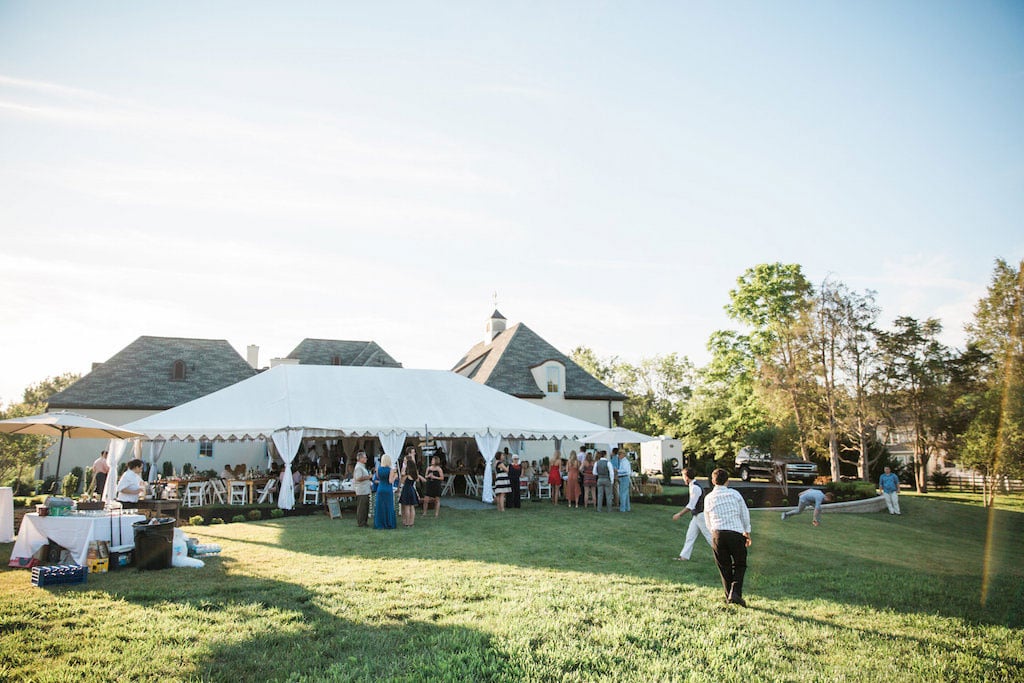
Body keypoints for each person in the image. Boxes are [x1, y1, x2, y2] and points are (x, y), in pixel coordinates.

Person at [704, 468, 751, 607]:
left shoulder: (709, 498)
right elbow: (744, 513)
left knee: (724, 567)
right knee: (740, 564)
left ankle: (729, 596)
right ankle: (735, 593)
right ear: (727, 480)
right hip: (735, 533)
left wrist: (713, 532)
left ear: (713, 481)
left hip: (717, 534)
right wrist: (747, 532)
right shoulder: (735, 494)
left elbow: (707, 519)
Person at [672, 468, 712, 560]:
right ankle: (684, 556)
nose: (682, 478)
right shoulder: (693, 486)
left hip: (701, 516)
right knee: (690, 535)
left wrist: (679, 514)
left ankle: (723, 555)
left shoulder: (695, 488)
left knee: (709, 536)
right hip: (697, 516)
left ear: (686, 477)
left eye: (683, 476)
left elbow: (691, 506)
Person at [373, 455, 398, 530]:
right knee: (388, 506)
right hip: (387, 489)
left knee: (380, 506)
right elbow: (390, 481)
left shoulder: (378, 469)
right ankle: (389, 522)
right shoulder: (390, 470)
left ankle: (379, 523)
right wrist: (395, 476)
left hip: (380, 488)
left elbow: (378, 478)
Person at [399, 456, 424, 527]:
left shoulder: (406, 474)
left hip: (406, 489)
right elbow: (417, 480)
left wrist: (402, 474)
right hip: (412, 489)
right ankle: (411, 522)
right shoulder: (414, 473)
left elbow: (402, 482)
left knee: (406, 507)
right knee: (412, 507)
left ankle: (407, 522)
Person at [352, 451, 373, 527]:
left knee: (365, 507)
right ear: (360, 458)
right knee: (362, 507)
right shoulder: (358, 467)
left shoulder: (362, 466)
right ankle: (361, 522)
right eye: (365, 457)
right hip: (361, 490)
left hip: (365, 489)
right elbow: (358, 478)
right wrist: (368, 477)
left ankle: (364, 521)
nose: (366, 459)